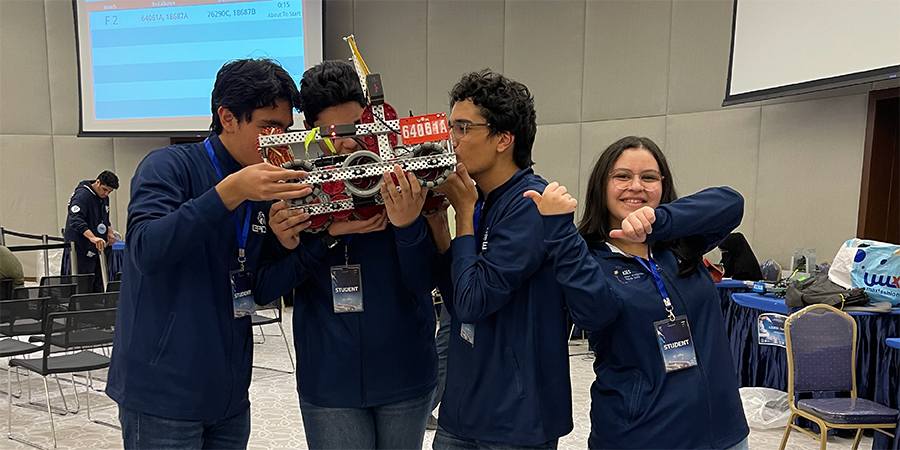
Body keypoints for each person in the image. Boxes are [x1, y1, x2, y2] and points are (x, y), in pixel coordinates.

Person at [106, 58, 315, 449]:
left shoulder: (261, 185)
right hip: (162, 396)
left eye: (285, 129)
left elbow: (259, 289)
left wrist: (292, 246)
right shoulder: (168, 166)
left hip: (229, 396)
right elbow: (146, 249)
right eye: (268, 127)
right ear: (228, 117)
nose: (278, 141)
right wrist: (229, 193)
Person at [525, 136, 750, 449]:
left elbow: (731, 203)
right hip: (641, 436)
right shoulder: (584, 258)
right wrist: (560, 232)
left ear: (662, 184)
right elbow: (594, 313)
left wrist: (658, 221)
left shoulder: (680, 245)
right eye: (622, 176)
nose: (636, 186)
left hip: (724, 433)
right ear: (601, 185)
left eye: (649, 177)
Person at [266, 60, 439, 449]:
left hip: (405, 373)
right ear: (310, 131)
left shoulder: (404, 182)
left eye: (357, 129)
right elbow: (269, 286)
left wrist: (407, 224)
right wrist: (322, 237)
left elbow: (425, 283)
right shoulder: (297, 193)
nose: (348, 144)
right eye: (334, 134)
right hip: (329, 381)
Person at [429, 70, 599, 449]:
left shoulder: (530, 205)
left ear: (503, 139)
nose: (452, 140)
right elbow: (456, 298)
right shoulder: (483, 201)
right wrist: (440, 224)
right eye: (451, 127)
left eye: (463, 128)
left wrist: (464, 214)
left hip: (514, 419)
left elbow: (472, 302)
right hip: (464, 410)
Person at [62, 170, 118, 292]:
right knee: (83, 284)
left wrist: (109, 232)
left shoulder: (104, 198)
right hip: (81, 246)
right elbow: (75, 219)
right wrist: (92, 237)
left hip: (98, 247)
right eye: (104, 189)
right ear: (98, 182)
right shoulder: (82, 195)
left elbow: (105, 218)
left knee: (98, 283)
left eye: (109, 192)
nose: (106, 193)